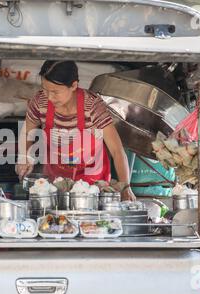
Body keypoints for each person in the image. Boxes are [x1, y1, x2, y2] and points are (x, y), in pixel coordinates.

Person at [15, 60, 136, 201]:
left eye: (55, 92)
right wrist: (24, 157)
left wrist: (126, 187)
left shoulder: (92, 106)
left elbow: (117, 151)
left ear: (73, 85)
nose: (49, 97)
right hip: (54, 186)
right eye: (45, 89)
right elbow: (26, 133)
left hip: (91, 187)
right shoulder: (40, 102)